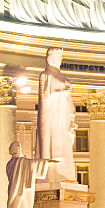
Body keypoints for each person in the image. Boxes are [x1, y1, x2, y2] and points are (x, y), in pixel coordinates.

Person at [36, 47, 76, 184]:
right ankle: (52, 173)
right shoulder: (45, 75)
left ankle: (66, 175)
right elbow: (45, 98)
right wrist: (63, 91)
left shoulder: (62, 77)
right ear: (50, 58)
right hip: (52, 118)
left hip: (63, 118)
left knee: (65, 148)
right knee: (53, 146)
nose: (61, 60)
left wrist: (71, 117)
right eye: (59, 57)